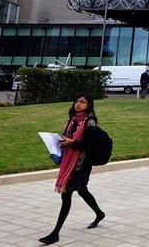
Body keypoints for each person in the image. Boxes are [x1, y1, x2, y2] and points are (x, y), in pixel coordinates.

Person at [39, 95, 105, 244]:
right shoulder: (73, 119)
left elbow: (90, 146)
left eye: (82, 102)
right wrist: (62, 142)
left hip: (81, 165)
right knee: (82, 191)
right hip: (70, 162)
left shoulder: (90, 122)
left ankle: (55, 233)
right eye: (77, 101)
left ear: (88, 105)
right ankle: (99, 213)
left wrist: (72, 143)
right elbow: (70, 138)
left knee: (66, 195)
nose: (78, 104)